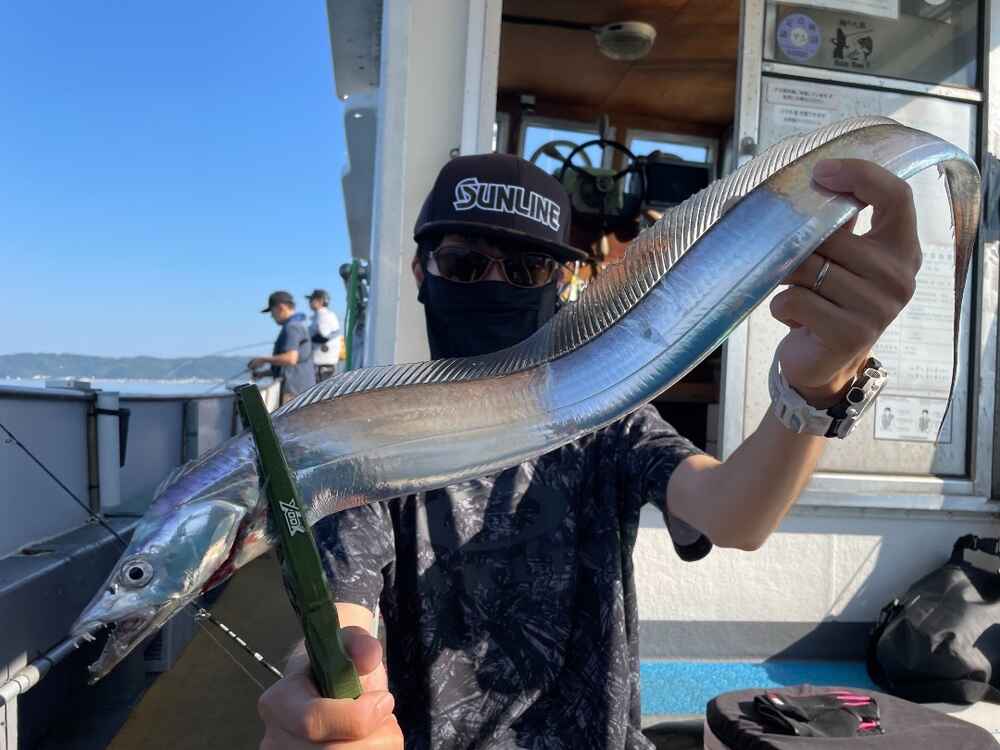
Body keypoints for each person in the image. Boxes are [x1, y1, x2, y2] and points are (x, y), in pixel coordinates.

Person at [258, 154, 922, 749]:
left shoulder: (603, 418)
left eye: (527, 268)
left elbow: (736, 512)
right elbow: (343, 615)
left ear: (561, 283)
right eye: (464, 264)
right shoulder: (372, 441)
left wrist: (813, 391)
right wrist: (325, 701)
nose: (495, 284)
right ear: (420, 272)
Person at [249, 290, 316, 405]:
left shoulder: (292, 327)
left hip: (294, 393)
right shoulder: (297, 325)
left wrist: (262, 360)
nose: (271, 316)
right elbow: (289, 367)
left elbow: (290, 359)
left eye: (272, 311)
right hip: (302, 390)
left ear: (281, 307)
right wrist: (262, 374)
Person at [306, 288, 343, 381]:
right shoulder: (323, 315)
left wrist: (303, 340)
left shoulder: (323, 315)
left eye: (312, 300)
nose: (309, 302)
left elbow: (323, 337)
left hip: (323, 365)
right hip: (323, 364)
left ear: (321, 301)